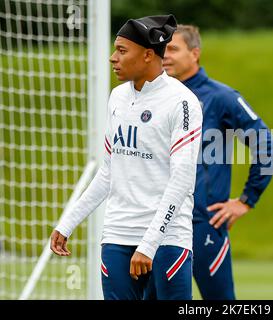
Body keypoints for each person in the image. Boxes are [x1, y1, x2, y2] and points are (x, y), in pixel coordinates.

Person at [50, 15, 203, 300]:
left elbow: (182, 180)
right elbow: (109, 170)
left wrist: (149, 243)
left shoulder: (183, 102)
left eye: (121, 50)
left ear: (148, 55)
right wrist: (67, 222)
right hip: (118, 235)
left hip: (167, 239)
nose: (112, 58)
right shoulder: (117, 97)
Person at [163, 25, 273, 300]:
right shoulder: (157, 98)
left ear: (195, 53)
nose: (164, 56)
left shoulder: (221, 97)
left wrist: (246, 199)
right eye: (162, 50)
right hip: (158, 225)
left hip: (203, 223)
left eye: (173, 49)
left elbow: (266, 145)